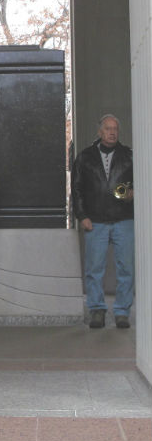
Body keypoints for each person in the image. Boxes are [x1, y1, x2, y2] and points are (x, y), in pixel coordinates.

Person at [71, 114, 134, 329]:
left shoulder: (129, 156)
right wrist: (82, 216)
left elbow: (143, 180)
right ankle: (97, 310)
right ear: (100, 132)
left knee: (126, 268)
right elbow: (77, 189)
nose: (112, 132)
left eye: (115, 128)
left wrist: (132, 193)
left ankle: (122, 312)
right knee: (94, 268)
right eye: (108, 128)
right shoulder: (85, 157)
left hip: (123, 219)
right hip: (95, 220)